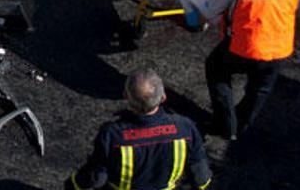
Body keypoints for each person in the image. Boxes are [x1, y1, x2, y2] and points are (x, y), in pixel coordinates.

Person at [194, 0, 300, 140]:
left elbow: (209, 9)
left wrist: (193, 17)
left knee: (215, 69)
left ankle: (226, 124)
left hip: (245, 47)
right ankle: (242, 124)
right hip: (280, 49)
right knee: (259, 90)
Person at [66, 68, 212, 190]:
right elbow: (201, 178)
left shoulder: (112, 136)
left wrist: (73, 184)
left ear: (126, 97)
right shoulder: (185, 128)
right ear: (163, 97)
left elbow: (96, 178)